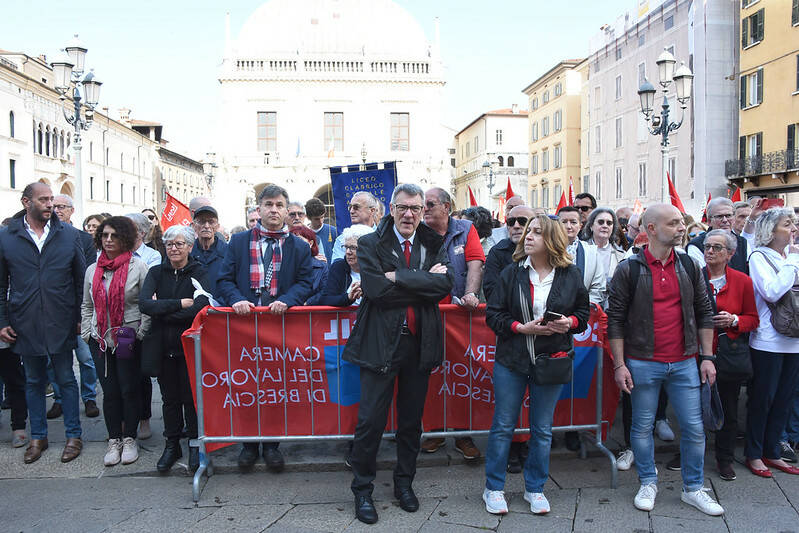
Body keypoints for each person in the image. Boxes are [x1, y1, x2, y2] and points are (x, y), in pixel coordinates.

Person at [343, 183, 453, 525]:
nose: (409, 214)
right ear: (391, 209)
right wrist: (420, 282)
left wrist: (398, 277)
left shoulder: (433, 242)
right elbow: (376, 291)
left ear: (423, 212)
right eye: (403, 208)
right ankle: (363, 490)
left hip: (419, 346)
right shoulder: (369, 243)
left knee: (410, 423)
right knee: (370, 422)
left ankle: (404, 484)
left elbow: (444, 287)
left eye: (416, 209)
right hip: (379, 344)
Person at [607, 204, 723, 516]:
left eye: (681, 222)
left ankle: (693, 488)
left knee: (694, 428)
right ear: (652, 229)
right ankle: (648, 481)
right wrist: (619, 365)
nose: (681, 227)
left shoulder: (687, 265)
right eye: (673, 223)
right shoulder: (628, 269)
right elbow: (614, 320)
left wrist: (707, 357)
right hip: (643, 361)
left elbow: (704, 313)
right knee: (642, 427)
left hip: (685, 361)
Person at [482, 214, 589, 515]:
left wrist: (570, 322)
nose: (528, 236)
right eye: (528, 231)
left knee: (542, 429)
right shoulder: (511, 273)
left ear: (552, 239)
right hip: (512, 360)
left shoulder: (570, 274)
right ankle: (493, 488)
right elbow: (493, 315)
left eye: (537, 233)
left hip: (550, 361)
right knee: (503, 426)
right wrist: (519, 327)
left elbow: (584, 312)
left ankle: (535, 488)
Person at [217, 184, 314, 472]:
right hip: (244, 326)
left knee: (273, 387)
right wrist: (236, 301)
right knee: (246, 385)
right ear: (258, 209)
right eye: (268, 204)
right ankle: (248, 445)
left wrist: (287, 299)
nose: (274, 209)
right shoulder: (238, 241)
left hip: (278, 327)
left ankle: (271, 444)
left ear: (287, 210)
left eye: (279, 205)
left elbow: (306, 282)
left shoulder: (298, 246)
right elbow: (223, 280)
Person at [0, 182, 86, 464]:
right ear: (27, 202)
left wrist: (78, 318)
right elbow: (1, 285)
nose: (50, 205)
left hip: (61, 320)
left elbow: (79, 281)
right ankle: (38, 436)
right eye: (44, 200)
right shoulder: (7, 237)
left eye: (52, 200)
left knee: (65, 379)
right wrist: (2, 321)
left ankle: (74, 436)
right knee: (34, 381)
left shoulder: (69, 235)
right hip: (24, 322)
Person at [420, 187, 484, 460]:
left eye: (430, 204)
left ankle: (463, 433)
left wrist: (471, 293)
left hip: (458, 317)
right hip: (428, 314)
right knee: (429, 374)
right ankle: (433, 431)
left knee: (461, 375)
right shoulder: (417, 231)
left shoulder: (466, 229)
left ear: (447, 206)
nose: (424, 209)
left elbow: (475, 262)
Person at [139, 225, 209, 473]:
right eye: (169, 244)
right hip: (162, 345)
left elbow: (200, 308)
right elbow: (146, 305)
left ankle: (193, 443)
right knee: (169, 399)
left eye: (179, 244)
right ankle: (171, 444)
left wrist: (164, 310)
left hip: (189, 346)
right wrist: (178, 304)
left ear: (190, 247)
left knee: (190, 398)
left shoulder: (199, 272)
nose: (174, 248)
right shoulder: (156, 272)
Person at [82, 216, 150, 467]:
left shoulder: (138, 266)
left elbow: (146, 305)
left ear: (125, 239)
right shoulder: (93, 269)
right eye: (104, 235)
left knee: (128, 388)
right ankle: (114, 440)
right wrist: (87, 333)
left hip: (127, 337)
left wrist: (140, 333)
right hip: (100, 339)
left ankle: (130, 438)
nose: (108, 240)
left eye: (114, 236)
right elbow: (86, 304)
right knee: (109, 391)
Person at [745, 207, 799, 478]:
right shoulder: (759, 257)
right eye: (787, 224)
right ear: (770, 230)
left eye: (793, 224)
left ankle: (773, 450)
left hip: (794, 340)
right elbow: (772, 291)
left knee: (784, 399)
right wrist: (792, 261)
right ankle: (754, 453)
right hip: (768, 340)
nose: (793, 228)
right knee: (763, 399)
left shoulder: (791, 257)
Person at [701, 229, 759, 481]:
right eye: (707, 246)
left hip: (728, 355)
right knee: (691, 407)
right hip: (696, 353)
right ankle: (688, 453)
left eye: (717, 247)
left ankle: (724, 459)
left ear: (730, 254)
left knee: (728, 408)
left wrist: (733, 319)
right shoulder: (694, 277)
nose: (710, 251)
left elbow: (753, 319)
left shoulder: (742, 281)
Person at [47, 194, 100, 420]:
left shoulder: (83, 239)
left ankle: (89, 397)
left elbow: (85, 276)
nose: (57, 210)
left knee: (86, 358)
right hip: (53, 311)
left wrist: (82, 314)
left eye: (62, 206)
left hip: (78, 308)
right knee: (54, 360)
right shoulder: (44, 237)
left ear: (71, 210)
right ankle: (59, 399)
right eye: (54, 206)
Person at [127, 213, 161, 441]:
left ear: (140, 232)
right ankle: (124, 420)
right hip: (117, 324)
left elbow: (147, 290)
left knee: (141, 374)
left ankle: (144, 419)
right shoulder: (113, 255)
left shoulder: (152, 256)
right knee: (123, 376)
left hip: (141, 321)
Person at [557, 206, 606, 307]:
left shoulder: (592, 252)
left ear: (580, 225)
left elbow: (598, 287)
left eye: (573, 222)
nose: (568, 226)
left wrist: (582, 309)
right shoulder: (547, 250)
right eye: (564, 222)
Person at [686, 198, 749, 272]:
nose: (725, 220)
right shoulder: (696, 245)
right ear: (709, 221)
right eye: (719, 216)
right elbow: (701, 277)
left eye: (728, 215)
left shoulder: (743, 242)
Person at [319, 224, 374, 307]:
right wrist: (348, 297)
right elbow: (326, 299)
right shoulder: (338, 267)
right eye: (346, 247)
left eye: (353, 247)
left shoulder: (378, 268)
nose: (348, 252)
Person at [583, 208, 626, 307]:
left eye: (609, 223)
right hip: (586, 307)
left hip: (612, 308)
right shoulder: (582, 250)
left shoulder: (621, 255)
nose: (605, 226)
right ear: (591, 226)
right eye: (601, 222)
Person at [331, 191, 379, 262]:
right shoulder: (341, 240)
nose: (351, 211)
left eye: (356, 207)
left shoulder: (385, 237)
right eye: (350, 207)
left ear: (372, 210)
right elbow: (337, 269)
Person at [190, 205, 228, 295]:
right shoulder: (187, 252)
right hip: (193, 306)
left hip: (221, 305)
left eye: (211, 222)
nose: (206, 226)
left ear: (217, 226)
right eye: (202, 221)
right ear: (194, 226)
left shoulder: (229, 252)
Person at [289, 224, 328, 305]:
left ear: (310, 243)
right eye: (292, 241)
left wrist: (307, 303)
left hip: (312, 312)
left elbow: (325, 291)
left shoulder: (321, 266)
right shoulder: (282, 263)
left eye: (299, 240)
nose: (295, 244)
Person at [306, 197, 338, 263]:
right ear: (308, 218)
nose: (320, 221)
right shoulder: (303, 234)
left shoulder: (333, 231)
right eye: (316, 219)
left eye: (322, 217)